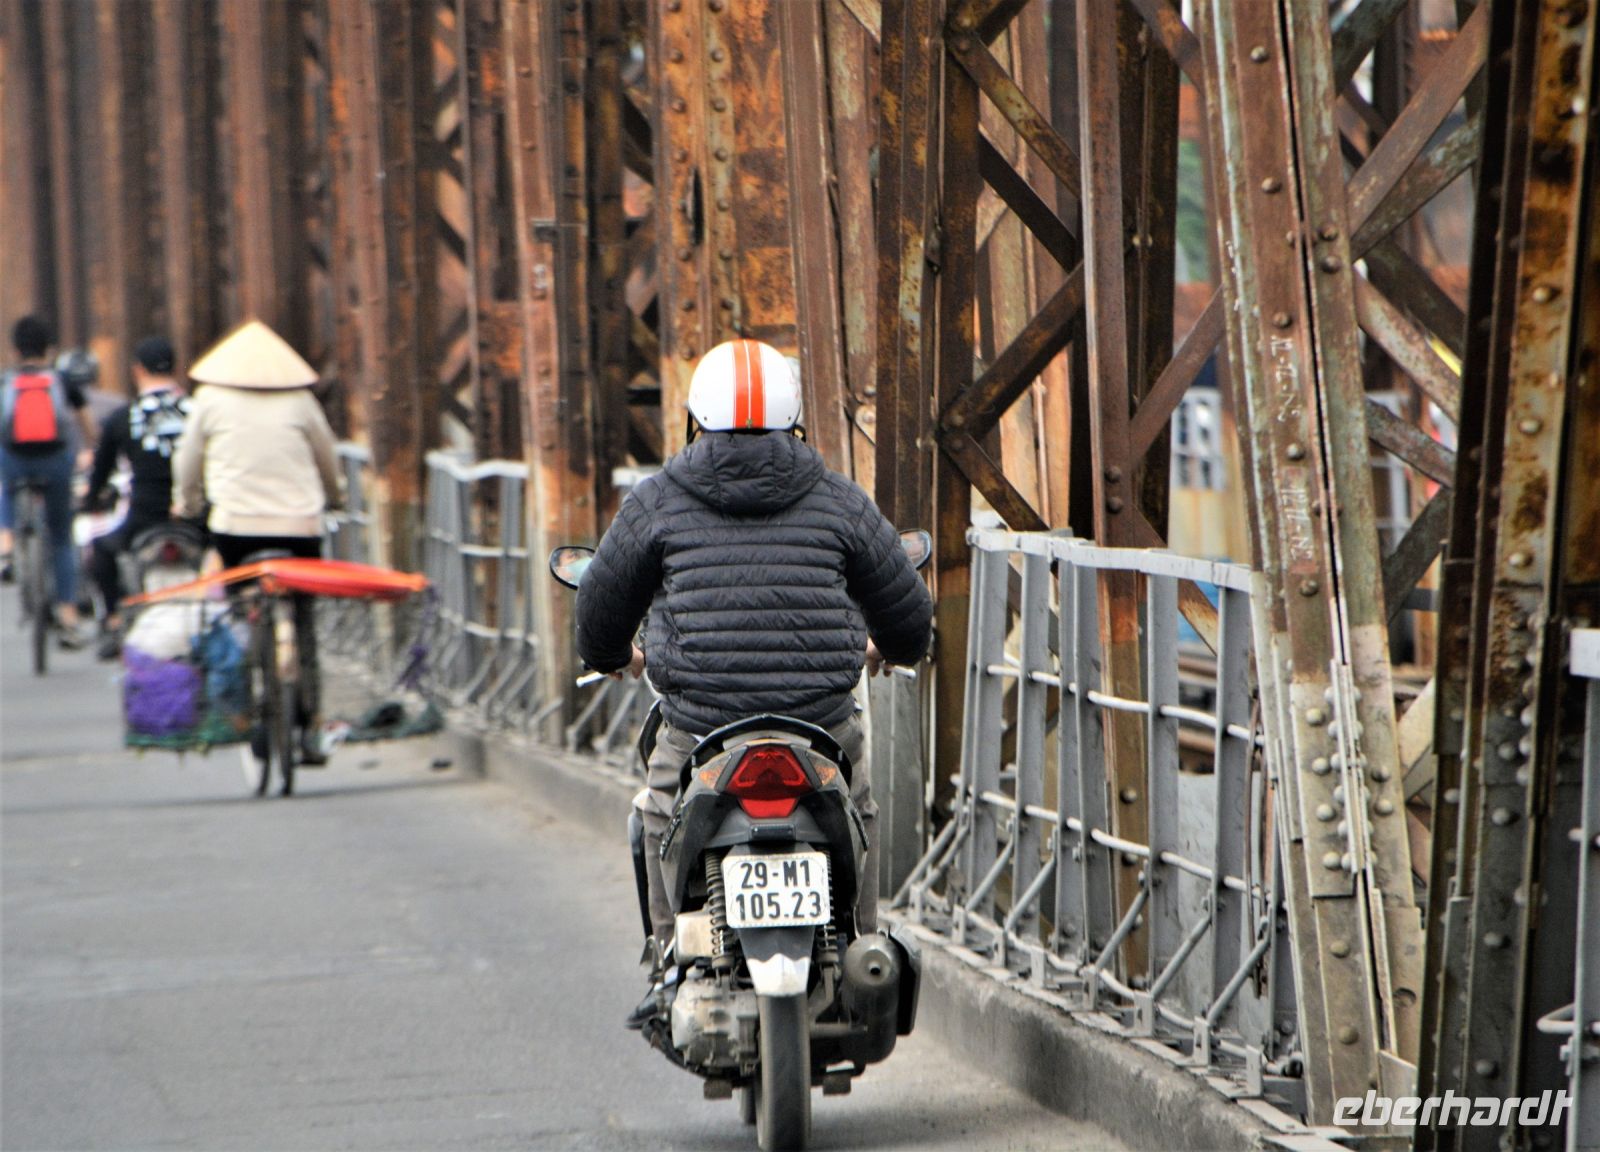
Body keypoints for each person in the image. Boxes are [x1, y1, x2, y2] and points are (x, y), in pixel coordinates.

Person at [574, 337, 934, 1023]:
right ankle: (860, 948)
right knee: (855, 812)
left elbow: (600, 612)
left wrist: (614, 654)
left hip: (701, 728)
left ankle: (669, 964)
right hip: (820, 727)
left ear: (695, 421)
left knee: (656, 817)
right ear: (793, 421)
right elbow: (909, 618)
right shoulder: (840, 500)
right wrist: (889, 647)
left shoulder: (656, 503)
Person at [171, 319, 342, 764]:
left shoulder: (208, 399)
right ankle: (310, 726)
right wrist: (336, 497)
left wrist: (187, 504)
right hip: (299, 528)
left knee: (239, 613)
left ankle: (247, 701)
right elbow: (327, 458)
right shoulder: (302, 401)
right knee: (302, 620)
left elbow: (187, 462)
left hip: (236, 530)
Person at [83, 336, 191, 659]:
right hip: (192, 516)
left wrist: (90, 499)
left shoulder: (123, 417)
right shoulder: (196, 410)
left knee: (99, 551)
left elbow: (101, 470)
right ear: (176, 368)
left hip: (144, 517)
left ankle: (115, 620)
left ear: (137, 370)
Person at [0, 316, 99, 646]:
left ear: (15, 349)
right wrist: (90, 448)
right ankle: (68, 615)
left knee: (7, 483)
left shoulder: (5, 381)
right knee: (60, 536)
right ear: (50, 348)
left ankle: (6, 543)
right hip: (55, 461)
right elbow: (85, 424)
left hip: (14, 459)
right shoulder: (62, 379)